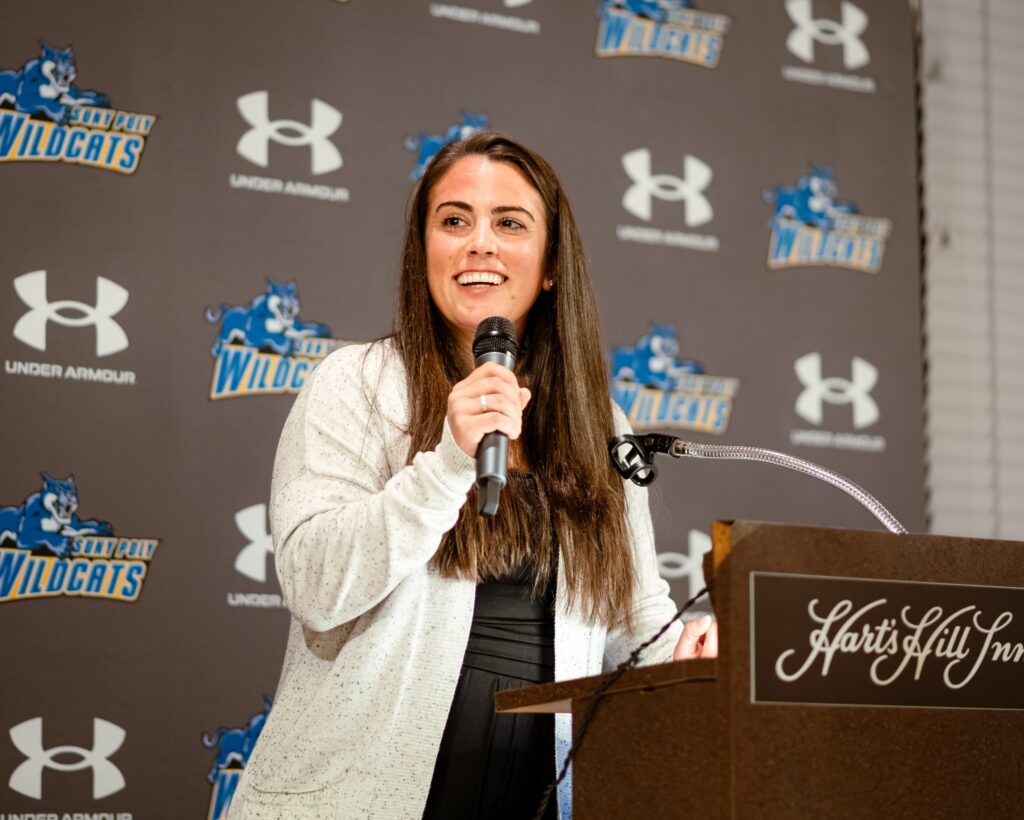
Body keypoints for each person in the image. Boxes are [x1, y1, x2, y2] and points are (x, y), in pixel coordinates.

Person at [228, 132, 717, 820]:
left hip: (538, 788)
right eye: (454, 221)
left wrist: (679, 648)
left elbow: (629, 608)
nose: (478, 242)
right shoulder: (356, 384)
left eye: (509, 223)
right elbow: (316, 584)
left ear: (550, 267)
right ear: (422, 252)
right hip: (369, 790)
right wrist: (449, 464)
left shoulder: (597, 420)